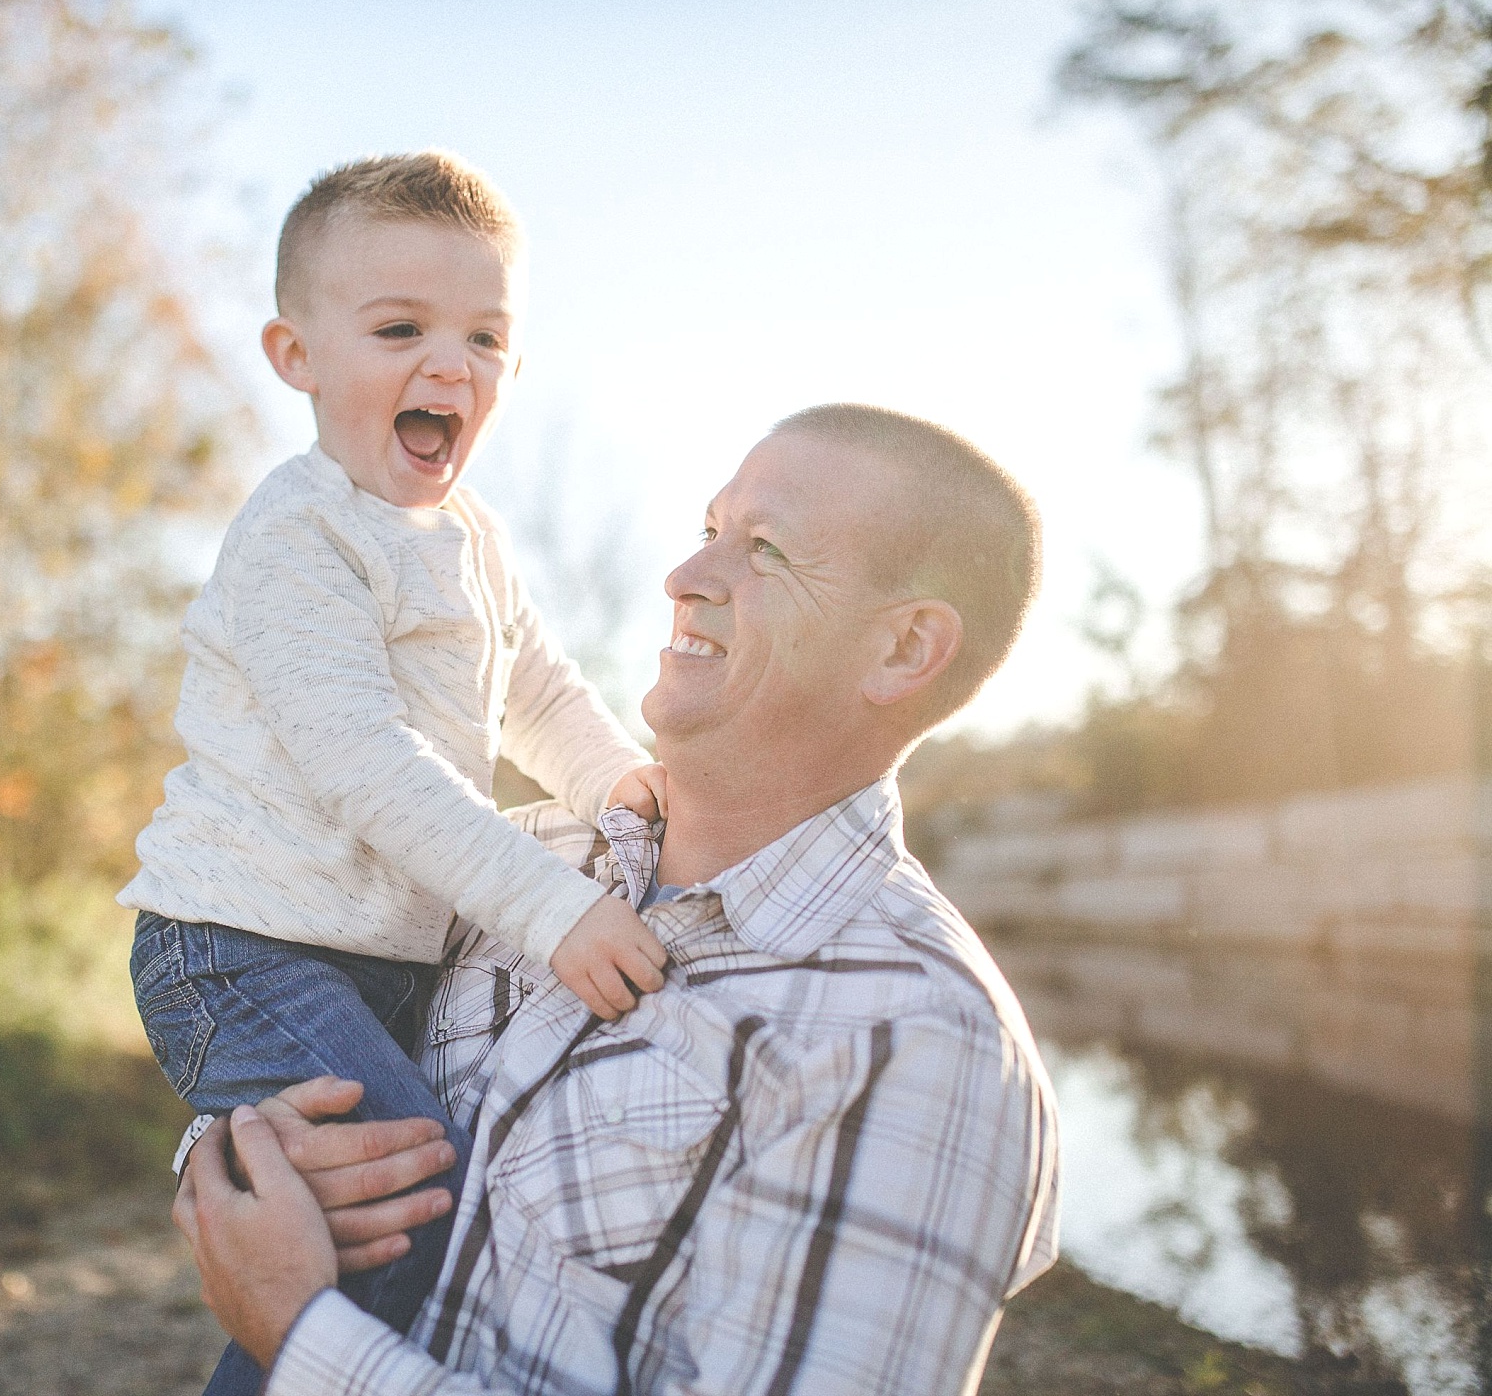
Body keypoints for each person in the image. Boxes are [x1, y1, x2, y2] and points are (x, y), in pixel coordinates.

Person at [174, 405, 1064, 1396]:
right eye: (707, 530)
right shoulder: (512, 863)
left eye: (762, 548)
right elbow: (277, 1015)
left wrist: (302, 1340)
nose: (687, 578)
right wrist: (243, 1155)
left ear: (902, 650)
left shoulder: (918, 1040)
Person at [118, 152, 673, 1393]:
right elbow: (366, 766)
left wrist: (618, 784)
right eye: (399, 329)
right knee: (403, 1197)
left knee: (400, 1217)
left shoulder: (469, 538)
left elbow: (537, 691)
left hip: (370, 961)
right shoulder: (299, 534)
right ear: (296, 356)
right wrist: (553, 906)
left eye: (485, 336)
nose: (448, 365)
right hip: (239, 946)